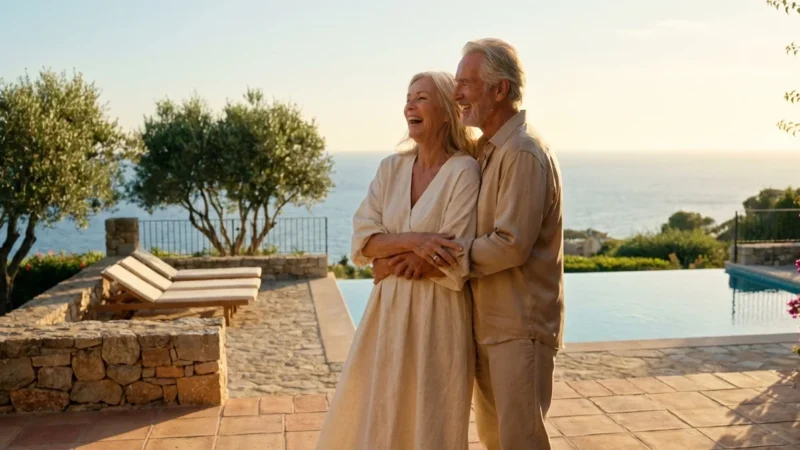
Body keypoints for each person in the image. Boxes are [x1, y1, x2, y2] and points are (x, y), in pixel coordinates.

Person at [374, 38, 565, 450]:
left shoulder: (522, 152)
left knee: (520, 440)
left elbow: (510, 244)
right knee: (496, 438)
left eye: (466, 83)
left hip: (520, 326)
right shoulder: (486, 151)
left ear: (500, 90)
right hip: (488, 324)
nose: (457, 92)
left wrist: (434, 261)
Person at [316, 71, 480, 450]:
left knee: (430, 419)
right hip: (385, 314)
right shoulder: (391, 168)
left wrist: (388, 259)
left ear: (446, 109)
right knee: (379, 411)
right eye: (408, 97)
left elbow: (451, 255)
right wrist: (415, 241)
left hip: (437, 317)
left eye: (421, 97)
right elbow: (363, 237)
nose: (409, 105)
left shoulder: (464, 172)